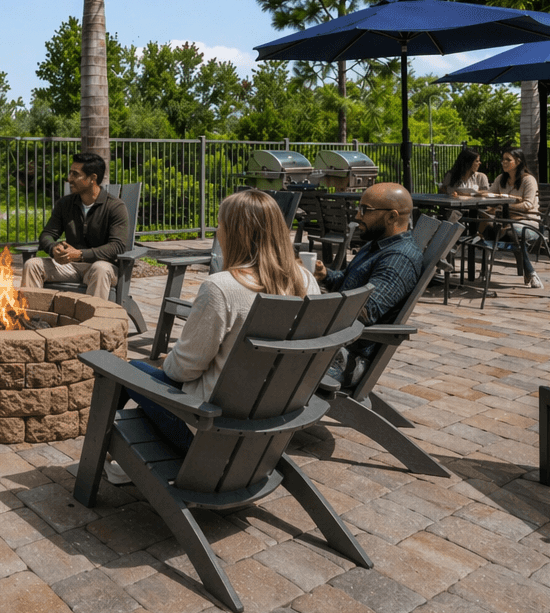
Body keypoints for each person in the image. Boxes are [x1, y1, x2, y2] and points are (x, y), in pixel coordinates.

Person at [122, 190, 317, 459]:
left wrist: (170, 360)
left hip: (209, 428)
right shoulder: (307, 281)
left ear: (235, 232)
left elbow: (183, 371)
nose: (217, 230)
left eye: (220, 224)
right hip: (270, 427)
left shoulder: (222, 288)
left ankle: (109, 457)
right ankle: (128, 462)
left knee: (128, 372)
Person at [313, 182, 424, 383]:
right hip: (334, 343)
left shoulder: (399, 259)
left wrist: (312, 309)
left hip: (346, 358)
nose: (357, 216)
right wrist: (324, 275)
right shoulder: (376, 246)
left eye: (365, 210)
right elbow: (347, 283)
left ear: (392, 216)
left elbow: (365, 311)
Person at [22, 152, 130, 303]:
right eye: (70, 172)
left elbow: (117, 246)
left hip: (100, 266)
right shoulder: (65, 204)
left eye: (75, 174)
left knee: (100, 269)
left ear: (92, 178)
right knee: (32, 265)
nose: (69, 178)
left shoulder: (114, 206)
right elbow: (47, 234)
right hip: (68, 266)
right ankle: (32, 317)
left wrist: (80, 254)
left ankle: (92, 324)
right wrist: (53, 248)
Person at [492, 147, 545, 290]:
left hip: (529, 223)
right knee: (489, 230)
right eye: (503, 159)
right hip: (507, 223)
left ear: (518, 161)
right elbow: (490, 198)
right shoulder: (500, 180)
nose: (503, 162)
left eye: (508, 160)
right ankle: (530, 273)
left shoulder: (528, 180)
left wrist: (506, 205)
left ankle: (530, 272)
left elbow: (528, 204)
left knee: (512, 233)